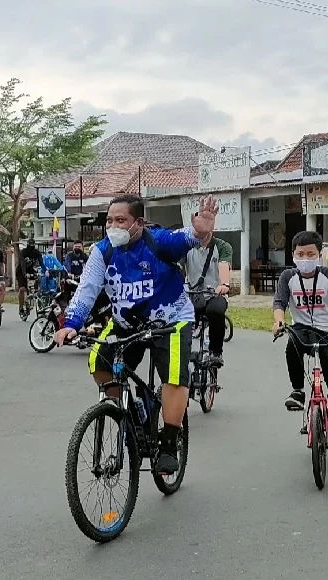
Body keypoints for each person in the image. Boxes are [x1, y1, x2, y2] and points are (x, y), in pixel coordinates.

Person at [54, 194, 218, 474]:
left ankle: (168, 442)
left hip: (170, 321)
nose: (113, 226)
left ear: (138, 223)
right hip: (126, 324)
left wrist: (200, 230)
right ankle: (127, 413)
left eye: (121, 220)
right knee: (99, 363)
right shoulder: (102, 251)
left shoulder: (158, 242)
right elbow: (87, 289)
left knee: (174, 375)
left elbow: (187, 237)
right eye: (109, 221)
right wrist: (71, 322)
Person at [273, 231, 328, 455]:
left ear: (319, 255)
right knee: (292, 345)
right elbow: (279, 302)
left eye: (311, 254)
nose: (306, 259)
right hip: (302, 329)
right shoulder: (287, 277)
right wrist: (279, 322)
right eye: (301, 254)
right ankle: (298, 392)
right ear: (293, 255)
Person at [185, 236, 233, 367]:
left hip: (215, 294)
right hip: (192, 295)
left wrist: (224, 284)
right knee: (179, 320)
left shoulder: (222, 246)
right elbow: (177, 267)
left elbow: (223, 265)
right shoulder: (186, 246)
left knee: (216, 311)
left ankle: (215, 352)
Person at [16, 239, 44, 316]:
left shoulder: (37, 252)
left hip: (31, 270)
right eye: (30, 244)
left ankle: (33, 294)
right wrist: (25, 273)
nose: (31, 246)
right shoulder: (23, 252)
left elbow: (41, 263)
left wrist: (45, 271)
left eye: (33, 245)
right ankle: (21, 306)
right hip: (21, 271)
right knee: (22, 289)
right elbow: (22, 263)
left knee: (38, 278)